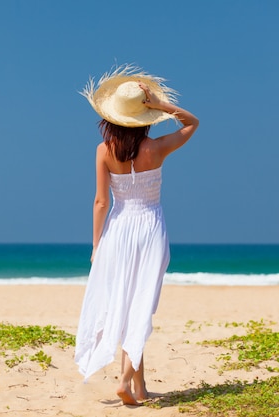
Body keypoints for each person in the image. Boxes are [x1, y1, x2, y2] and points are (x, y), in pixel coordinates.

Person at [74, 65, 199, 406]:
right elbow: (192, 123)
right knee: (140, 304)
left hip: (118, 229)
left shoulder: (103, 150)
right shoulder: (156, 148)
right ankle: (126, 379)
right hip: (149, 229)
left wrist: (97, 245)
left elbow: (101, 202)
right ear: (143, 116)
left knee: (126, 304)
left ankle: (139, 388)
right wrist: (160, 104)